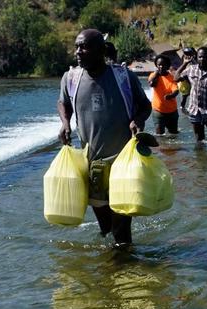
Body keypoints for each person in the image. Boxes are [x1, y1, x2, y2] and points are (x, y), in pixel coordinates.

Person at [57, 29, 152, 247]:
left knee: (121, 230)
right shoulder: (71, 78)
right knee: (105, 228)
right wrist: (65, 123)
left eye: (84, 47)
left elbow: (145, 106)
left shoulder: (123, 77)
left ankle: (123, 272)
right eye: (77, 46)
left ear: (100, 50)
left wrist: (137, 121)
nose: (78, 52)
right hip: (93, 164)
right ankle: (110, 268)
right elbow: (63, 103)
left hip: (124, 163)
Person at [147, 54, 180, 135]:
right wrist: (157, 74)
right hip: (158, 112)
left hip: (172, 112)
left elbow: (176, 90)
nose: (160, 67)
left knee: (173, 135)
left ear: (167, 66)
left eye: (163, 65)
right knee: (159, 135)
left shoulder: (171, 77)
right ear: (156, 65)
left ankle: (173, 148)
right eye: (159, 65)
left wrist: (171, 96)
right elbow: (151, 84)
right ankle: (161, 147)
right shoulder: (153, 75)